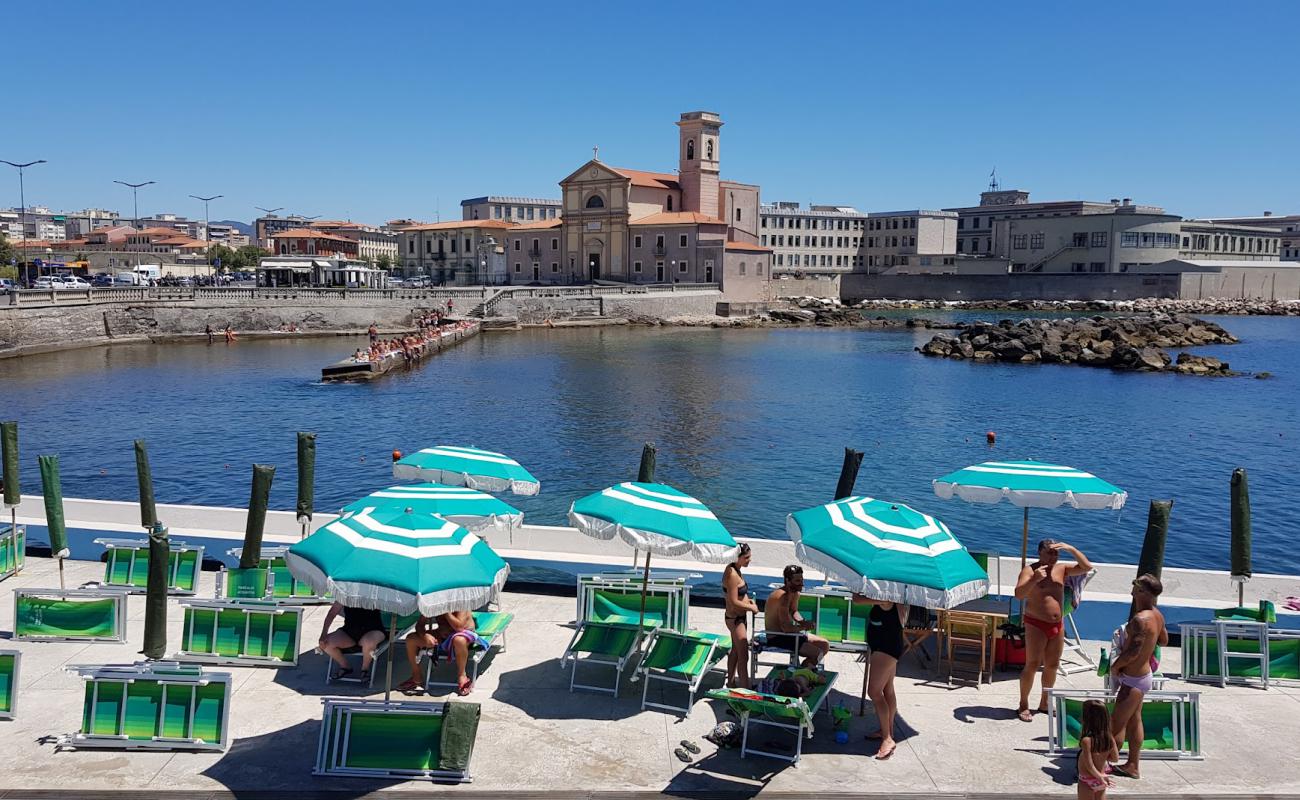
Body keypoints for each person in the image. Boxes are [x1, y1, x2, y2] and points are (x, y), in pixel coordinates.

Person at [1014, 538, 1092, 721]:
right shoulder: (1030, 570)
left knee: (1052, 665)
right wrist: (1034, 580)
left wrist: (1071, 548)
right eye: (1049, 552)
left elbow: (1086, 567)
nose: (1053, 556)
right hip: (1036, 624)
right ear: (1040, 552)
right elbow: (1019, 594)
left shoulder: (1062, 569)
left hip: (1057, 625)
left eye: (1056, 552)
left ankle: (1044, 702)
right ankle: (1023, 704)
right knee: (1032, 664)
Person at [1109, 574, 1167, 780]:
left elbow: (1132, 652)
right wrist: (1148, 647)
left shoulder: (1140, 619)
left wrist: (1116, 666)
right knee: (1135, 721)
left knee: (1116, 724)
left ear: (1142, 592)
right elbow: (1164, 640)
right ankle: (1132, 765)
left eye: (1135, 584)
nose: (1132, 587)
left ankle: (1101, 766)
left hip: (1132, 679)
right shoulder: (1157, 615)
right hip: (1144, 676)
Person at [859, 595, 907, 760]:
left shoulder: (888, 599)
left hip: (885, 650)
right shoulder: (898, 597)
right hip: (888, 647)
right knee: (888, 690)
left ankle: (887, 739)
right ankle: (888, 730)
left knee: (874, 692)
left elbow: (856, 599)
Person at [763, 564, 830, 669]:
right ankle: (801, 675)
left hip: (790, 635)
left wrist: (803, 622)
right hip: (776, 637)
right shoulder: (783, 596)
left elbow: (794, 611)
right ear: (787, 581)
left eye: (802, 580)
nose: (802, 584)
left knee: (824, 645)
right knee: (817, 653)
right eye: (798, 581)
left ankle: (803, 672)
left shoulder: (795, 593)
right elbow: (786, 628)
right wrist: (804, 627)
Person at [318, 603, 388, 681]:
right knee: (326, 643)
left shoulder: (374, 592)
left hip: (373, 630)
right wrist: (324, 633)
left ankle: (365, 669)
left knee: (369, 642)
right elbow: (332, 613)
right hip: (350, 631)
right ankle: (345, 666)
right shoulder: (346, 593)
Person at [722, 543, 759, 688]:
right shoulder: (731, 573)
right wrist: (751, 607)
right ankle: (746, 690)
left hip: (739, 618)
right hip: (735, 620)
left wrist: (748, 600)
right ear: (737, 557)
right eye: (746, 557)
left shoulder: (736, 569)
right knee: (744, 656)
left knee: (736, 652)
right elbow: (733, 601)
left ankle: (731, 683)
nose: (749, 560)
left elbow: (739, 594)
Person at [1077, 699, 1119, 799]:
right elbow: (1115, 759)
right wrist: (1102, 757)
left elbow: (1089, 764)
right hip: (1101, 779)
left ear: (1087, 719)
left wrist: (1098, 776)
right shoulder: (1109, 739)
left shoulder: (1086, 741)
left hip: (1087, 779)